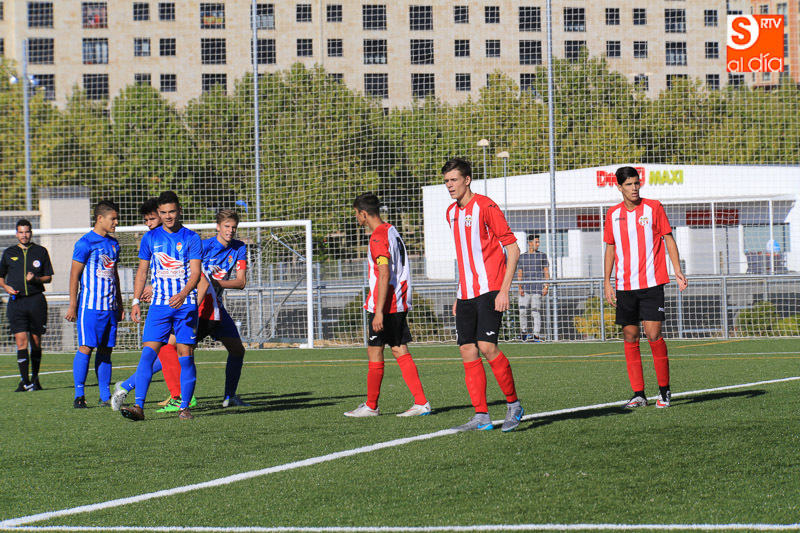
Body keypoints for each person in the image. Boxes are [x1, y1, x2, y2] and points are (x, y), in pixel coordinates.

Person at [442, 158, 524, 432]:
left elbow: (513, 249)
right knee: (467, 350)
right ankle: (481, 416)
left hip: (491, 289)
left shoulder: (486, 206)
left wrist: (504, 290)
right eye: (446, 181)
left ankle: (513, 405)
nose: (449, 185)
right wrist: (459, 293)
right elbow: (465, 257)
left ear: (467, 180)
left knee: (487, 347)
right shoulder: (450, 213)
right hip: (466, 294)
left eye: (454, 180)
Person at [603, 166, 688, 409]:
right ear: (619, 187)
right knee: (630, 336)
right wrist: (607, 281)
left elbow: (668, 238)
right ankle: (639, 394)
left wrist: (677, 270)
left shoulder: (654, 207)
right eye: (629, 184)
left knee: (653, 335)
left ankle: (664, 391)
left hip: (652, 284)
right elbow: (610, 247)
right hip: (624, 286)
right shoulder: (612, 214)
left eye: (636, 183)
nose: (634, 188)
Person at [344, 193, 431, 418]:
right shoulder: (391, 230)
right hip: (397, 299)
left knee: (380, 350)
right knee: (395, 348)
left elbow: (384, 275)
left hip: (387, 303)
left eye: (356, 214)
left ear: (364, 214)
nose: (357, 218)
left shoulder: (377, 238)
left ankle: (374, 406)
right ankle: (415, 402)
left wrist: (379, 312)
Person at [120, 191, 202, 421]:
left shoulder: (192, 238)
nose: (168, 216)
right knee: (147, 355)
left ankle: (184, 407)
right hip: (158, 306)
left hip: (185, 305)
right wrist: (135, 301)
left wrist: (183, 293)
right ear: (159, 212)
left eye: (172, 212)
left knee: (186, 355)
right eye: (164, 212)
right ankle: (138, 407)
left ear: (179, 211)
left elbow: (196, 272)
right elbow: (142, 272)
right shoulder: (150, 238)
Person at [110, 199, 185, 412]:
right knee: (165, 348)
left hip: (190, 303)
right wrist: (139, 297)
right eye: (146, 220)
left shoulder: (185, 237)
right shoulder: (151, 239)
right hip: (166, 305)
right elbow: (147, 271)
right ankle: (175, 396)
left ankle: (175, 395)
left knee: (169, 348)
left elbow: (189, 270)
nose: (149, 223)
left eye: (152, 218)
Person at [65, 201, 124, 408]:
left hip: (110, 308)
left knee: (106, 350)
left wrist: (120, 304)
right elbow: (74, 275)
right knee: (86, 348)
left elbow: (114, 275)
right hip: (90, 307)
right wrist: (73, 305)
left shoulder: (114, 244)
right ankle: (79, 395)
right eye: (113, 218)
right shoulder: (85, 243)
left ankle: (104, 396)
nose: (116, 222)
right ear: (100, 218)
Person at [194, 209, 251, 408]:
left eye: (234, 227)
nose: (230, 230)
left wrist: (211, 282)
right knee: (175, 349)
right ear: (218, 227)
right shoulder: (203, 246)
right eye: (227, 226)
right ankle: (128, 386)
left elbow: (241, 282)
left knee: (237, 350)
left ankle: (230, 397)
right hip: (198, 307)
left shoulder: (239, 247)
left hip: (217, 308)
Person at [0, 219, 54, 392]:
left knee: (36, 342)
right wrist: (6, 287)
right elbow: (1, 276)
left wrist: (36, 279)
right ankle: (24, 381)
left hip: (36, 301)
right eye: (21, 232)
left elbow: (48, 277)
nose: (24, 235)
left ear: (31, 233)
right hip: (17, 302)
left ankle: (35, 379)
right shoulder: (9, 253)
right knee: (21, 341)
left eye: (27, 232)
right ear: (16, 234)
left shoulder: (40, 251)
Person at [517, 234, 550, 342]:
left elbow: (546, 271)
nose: (538, 244)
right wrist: (520, 287)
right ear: (530, 243)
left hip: (537, 288)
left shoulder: (542, 256)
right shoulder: (522, 257)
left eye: (538, 242)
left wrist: (546, 286)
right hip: (525, 288)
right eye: (536, 242)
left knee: (535, 312)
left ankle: (536, 335)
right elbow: (520, 272)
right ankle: (524, 333)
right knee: (522, 311)